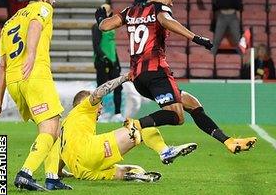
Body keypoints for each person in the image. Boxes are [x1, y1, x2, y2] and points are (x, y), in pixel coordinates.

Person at [95, 0, 257, 154]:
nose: (171, 4)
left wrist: (101, 18)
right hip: (156, 71)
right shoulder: (160, 8)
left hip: (139, 79)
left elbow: (104, 26)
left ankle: (229, 141)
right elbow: (166, 20)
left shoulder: (129, 11)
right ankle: (136, 124)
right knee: (177, 116)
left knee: (192, 103)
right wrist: (196, 38)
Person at [0, 0, 71, 191]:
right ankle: (25, 173)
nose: (53, 1)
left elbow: (1, 64)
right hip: (35, 75)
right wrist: (30, 55)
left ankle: (52, 178)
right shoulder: (42, 8)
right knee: (49, 127)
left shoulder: (9, 23)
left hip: (13, 81)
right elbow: (36, 25)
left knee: (54, 123)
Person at [60, 74, 197, 182]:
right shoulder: (83, 108)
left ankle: (136, 177)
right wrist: (124, 78)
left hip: (83, 171)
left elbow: (59, 159)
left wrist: (63, 173)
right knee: (139, 127)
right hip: (91, 151)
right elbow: (98, 93)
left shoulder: (65, 126)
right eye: (98, 104)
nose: (101, 107)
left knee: (135, 169)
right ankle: (165, 151)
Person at [92, 4, 123, 120]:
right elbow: (96, 45)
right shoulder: (96, 27)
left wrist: (117, 61)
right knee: (101, 88)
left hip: (113, 61)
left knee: (118, 86)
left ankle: (117, 113)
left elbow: (112, 46)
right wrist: (104, 58)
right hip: (102, 61)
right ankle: (100, 114)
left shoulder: (111, 27)